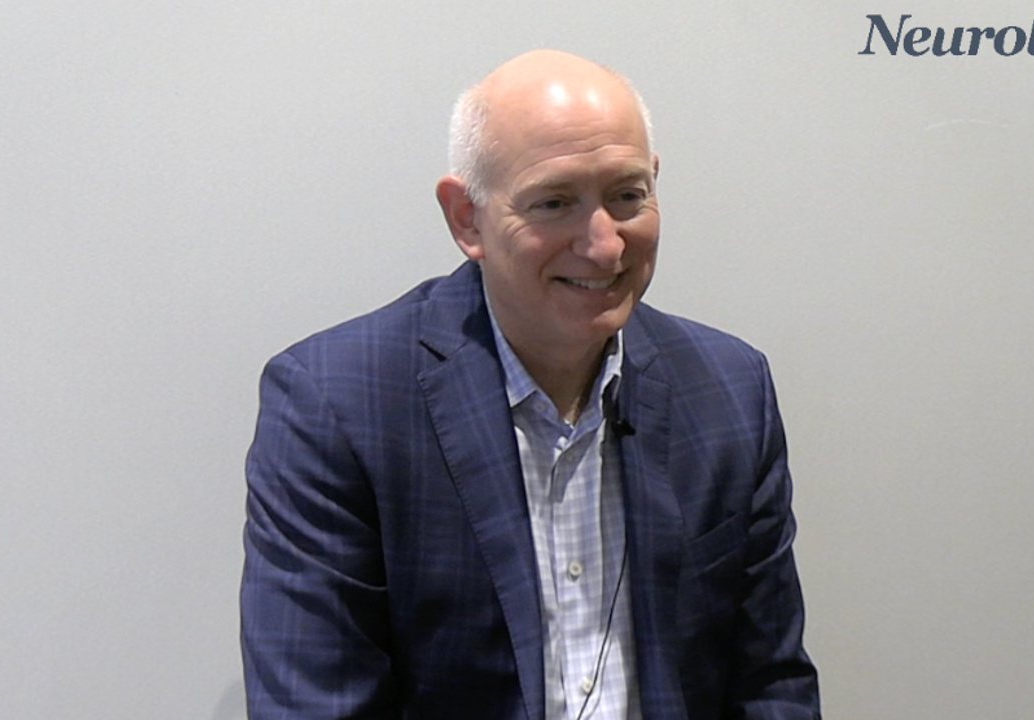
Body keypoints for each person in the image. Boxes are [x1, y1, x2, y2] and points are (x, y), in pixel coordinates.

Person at [241, 49, 820, 720]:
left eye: (627, 195)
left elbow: (771, 687)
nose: (605, 245)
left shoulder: (731, 389)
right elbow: (316, 703)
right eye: (554, 202)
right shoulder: (335, 405)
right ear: (467, 218)